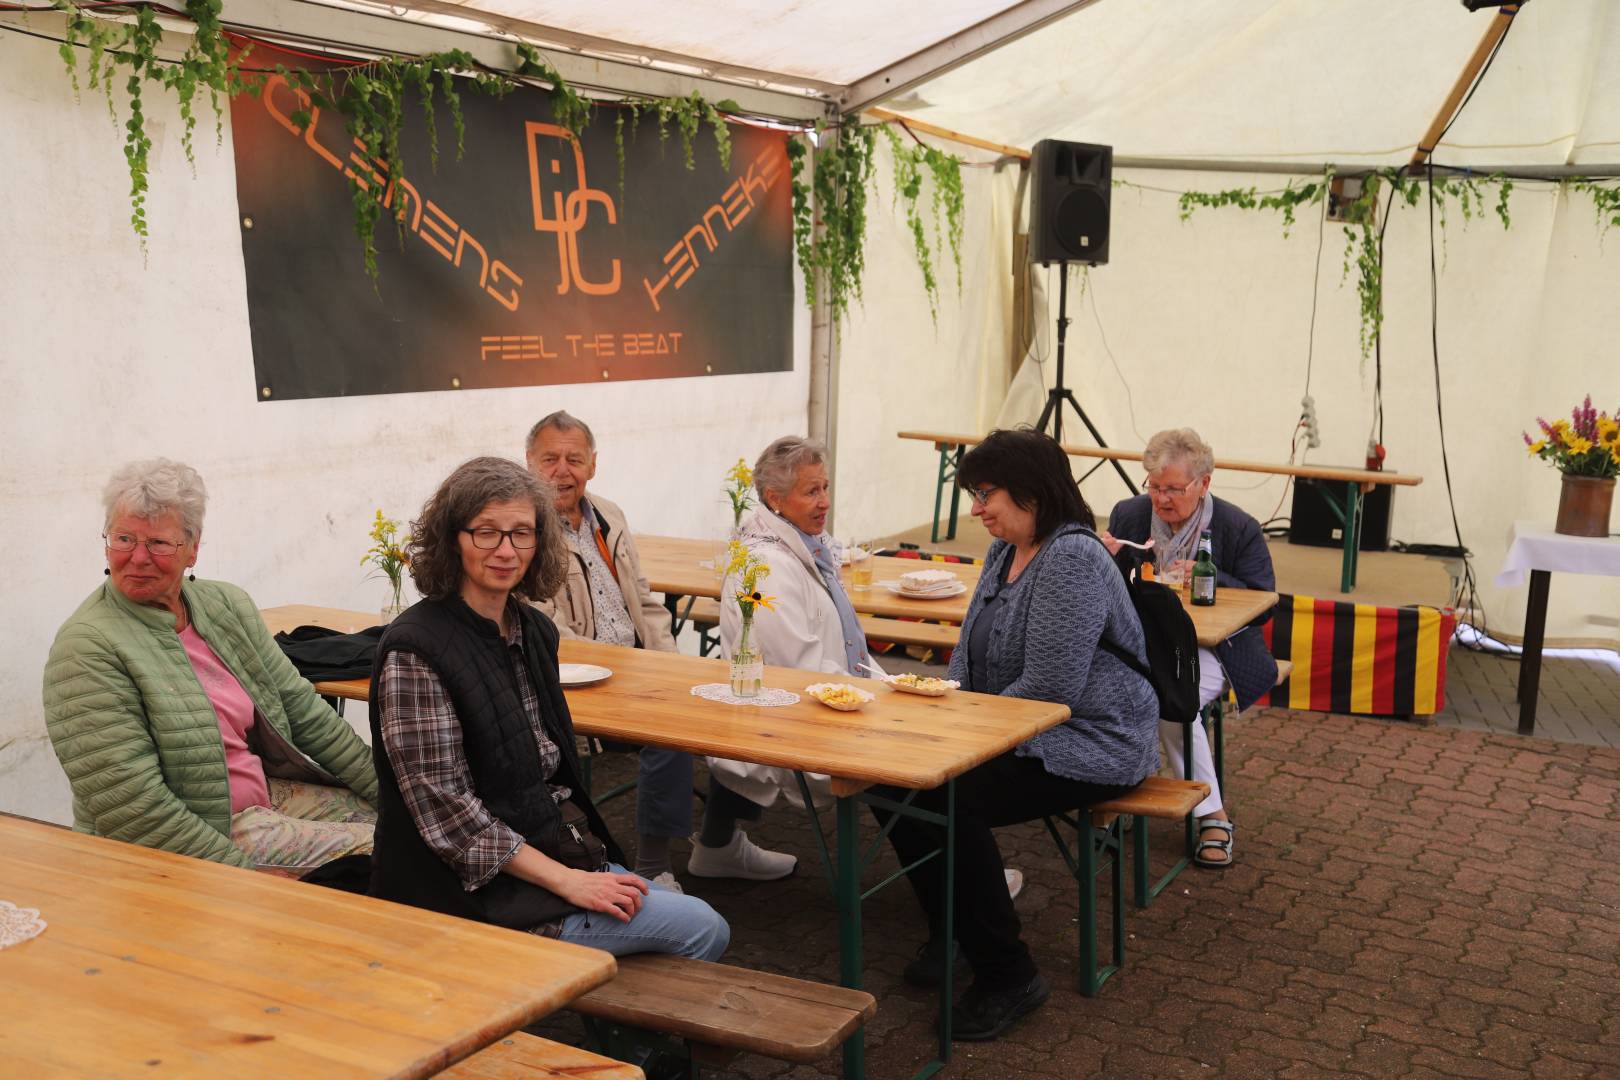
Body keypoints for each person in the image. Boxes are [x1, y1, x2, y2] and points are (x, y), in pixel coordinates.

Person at [368, 456, 727, 962]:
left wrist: (583, 869)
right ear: (453, 539)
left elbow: (545, 772)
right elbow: (450, 817)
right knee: (703, 927)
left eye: (522, 533)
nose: (506, 550)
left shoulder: (532, 630)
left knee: (673, 906)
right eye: (486, 533)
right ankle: (635, 1042)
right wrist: (570, 883)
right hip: (463, 894)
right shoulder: (416, 650)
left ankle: (634, 1033)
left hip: (551, 852)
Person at [882, 428, 1159, 1041]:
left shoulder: (1072, 557)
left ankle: (1009, 974)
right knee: (896, 779)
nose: (978, 510)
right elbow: (967, 656)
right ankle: (954, 928)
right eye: (975, 496)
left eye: (987, 494)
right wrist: (945, 706)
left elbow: (1049, 690)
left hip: (1090, 739)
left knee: (946, 795)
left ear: (1031, 491)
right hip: (1015, 727)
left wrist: (957, 736)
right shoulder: (1006, 550)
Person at [43, 458, 378, 874]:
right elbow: (134, 810)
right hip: (204, 837)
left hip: (262, 798)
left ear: (193, 548)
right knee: (393, 855)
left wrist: (394, 794)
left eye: (159, 543)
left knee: (410, 827)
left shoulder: (225, 606)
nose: (138, 557)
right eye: (123, 538)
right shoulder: (87, 646)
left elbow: (305, 714)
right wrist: (233, 872)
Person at [525, 410, 692, 890]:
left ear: (592, 465)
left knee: (718, 704)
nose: (563, 470)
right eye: (550, 458)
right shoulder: (527, 532)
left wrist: (668, 667)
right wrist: (627, 673)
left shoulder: (609, 515)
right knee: (671, 731)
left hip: (638, 670)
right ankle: (653, 867)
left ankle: (722, 840)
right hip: (579, 681)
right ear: (529, 464)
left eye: (574, 459)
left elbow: (645, 602)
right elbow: (546, 631)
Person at [1099, 427, 1279, 869]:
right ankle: (1112, 793)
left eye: (1174, 489)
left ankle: (1212, 817)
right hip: (1144, 642)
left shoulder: (1238, 527)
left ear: (1204, 484)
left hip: (1217, 648)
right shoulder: (1130, 514)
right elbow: (1109, 585)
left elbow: (1264, 603)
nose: (1161, 499)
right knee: (1101, 691)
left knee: (1167, 703)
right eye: (1155, 487)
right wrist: (1099, 555)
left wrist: (1208, 577)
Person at [691, 436, 858, 881]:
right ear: (774, 500)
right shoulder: (763, 562)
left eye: (825, 487)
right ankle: (959, 885)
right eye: (811, 492)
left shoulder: (794, 543)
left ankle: (716, 844)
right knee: (917, 758)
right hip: (790, 709)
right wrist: (873, 695)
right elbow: (797, 669)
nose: (824, 502)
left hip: (787, 698)